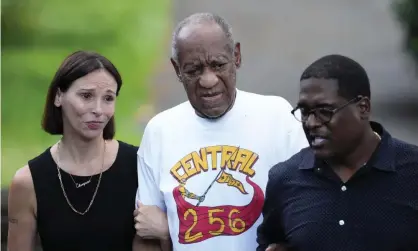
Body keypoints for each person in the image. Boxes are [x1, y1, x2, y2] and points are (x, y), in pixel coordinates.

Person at [133, 13, 308, 251]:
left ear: (236, 56)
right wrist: (165, 231)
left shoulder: (278, 117)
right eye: (194, 70)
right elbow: (147, 235)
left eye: (218, 65)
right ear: (176, 69)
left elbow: (311, 207)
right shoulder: (159, 131)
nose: (208, 80)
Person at [256, 54, 418, 251]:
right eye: (305, 111)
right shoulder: (285, 179)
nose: (311, 123)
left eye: (325, 111)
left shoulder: (412, 172)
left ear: (363, 108)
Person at [7, 50, 160, 251]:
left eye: (108, 98)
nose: (98, 109)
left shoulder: (140, 165)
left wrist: (164, 228)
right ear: (58, 96)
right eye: (86, 96)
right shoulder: (28, 182)